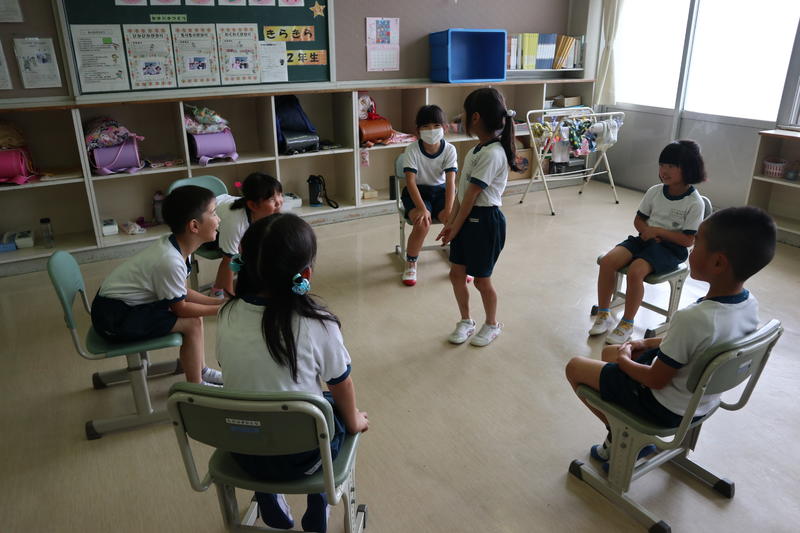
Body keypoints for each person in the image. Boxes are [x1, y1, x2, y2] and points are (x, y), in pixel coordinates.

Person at [566, 206, 776, 465]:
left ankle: (626, 435)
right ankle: (623, 427)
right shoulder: (748, 304)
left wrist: (624, 361)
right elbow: (696, 344)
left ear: (718, 262)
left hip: (664, 407)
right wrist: (645, 342)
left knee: (575, 367)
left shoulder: (694, 318)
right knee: (609, 352)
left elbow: (655, 380)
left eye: (697, 244)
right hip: (702, 400)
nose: (691, 250)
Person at [216, 213, 369, 533]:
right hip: (305, 457)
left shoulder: (226, 313)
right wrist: (354, 420)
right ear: (306, 273)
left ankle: (265, 494)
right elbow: (341, 384)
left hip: (243, 448)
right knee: (330, 409)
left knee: (268, 403)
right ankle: (319, 499)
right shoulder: (318, 324)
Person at [91, 185, 223, 385]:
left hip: (121, 306)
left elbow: (181, 292)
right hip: (114, 318)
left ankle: (200, 371)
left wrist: (217, 302)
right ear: (194, 226)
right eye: (213, 213)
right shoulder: (170, 261)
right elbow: (181, 308)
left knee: (195, 318)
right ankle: (197, 387)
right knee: (192, 323)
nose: (218, 219)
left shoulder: (177, 247)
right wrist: (222, 310)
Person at [590, 140, 707, 344]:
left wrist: (658, 232)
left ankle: (627, 324)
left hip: (671, 249)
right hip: (645, 239)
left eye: (672, 166)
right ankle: (603, 313)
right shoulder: (655, 191)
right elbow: (639, 220)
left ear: (688, 168)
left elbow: (688, 240)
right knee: (607, 261)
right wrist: (647, 231)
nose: (664, 171)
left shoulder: (695, 202)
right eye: (662, 165)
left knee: (636, 271)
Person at [436, 87, 519, 347]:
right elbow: (462, 194)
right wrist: (450, 224)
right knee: (456, 274)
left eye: (464, 112)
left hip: (485, 222)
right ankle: (466, 321)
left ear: (475, 117)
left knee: (482, 281)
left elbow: (472, 196)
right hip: (467, 219)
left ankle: (492, 324)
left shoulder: (493, 153)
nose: (461, 116)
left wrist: (455, 227)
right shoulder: (476, 151)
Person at [399, 105, 458, 286]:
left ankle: (460, 263)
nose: (431, 130)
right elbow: (410, 182)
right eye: (426, 126)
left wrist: (449, 211)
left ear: (444, 127)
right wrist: (422, 208)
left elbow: (451, 183)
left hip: (441, 192)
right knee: (422, 222)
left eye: (436, 125)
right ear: (418, 130)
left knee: (455, 221)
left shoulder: (449, 149)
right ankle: (411, 263)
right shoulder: (412, 149)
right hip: (417, 193)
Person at [209, 172, 284, 297]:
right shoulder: (235, 223)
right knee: (233, 257)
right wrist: (231, 297)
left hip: (230, 211)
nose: (279, 202)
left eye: (280, 195)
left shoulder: (268, 212)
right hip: (209, 220)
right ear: (253, 205)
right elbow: (228, 262)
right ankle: (218, 291)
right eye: (272, 199)